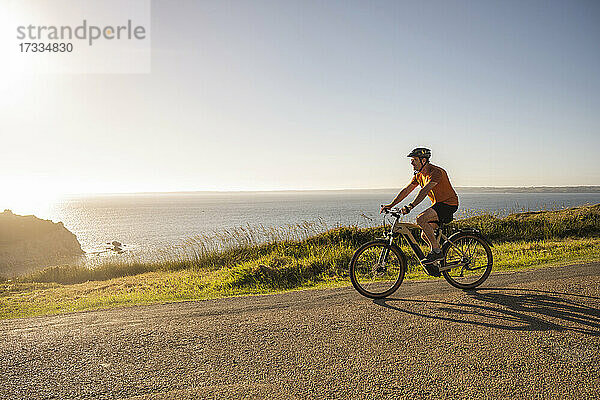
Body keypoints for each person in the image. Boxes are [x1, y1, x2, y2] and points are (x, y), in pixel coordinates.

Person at [381, 147, 459, 275]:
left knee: (421, 219)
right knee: (424, 234)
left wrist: (410, 206)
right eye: (411, 160)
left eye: (414, 160)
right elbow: (406, 191)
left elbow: (425, 190)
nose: (411, 163)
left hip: (448, 204)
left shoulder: (436, 172)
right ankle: (437, 261)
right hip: (438, 205)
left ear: (423, 160)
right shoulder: (419, 175)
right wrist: (391, 205)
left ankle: (437, 252)